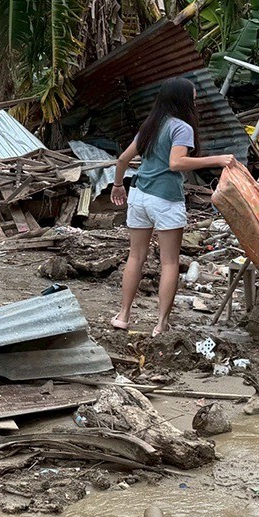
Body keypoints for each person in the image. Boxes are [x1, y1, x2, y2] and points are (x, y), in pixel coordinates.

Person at [107, 76, 234, 336]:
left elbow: (122, 159)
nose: (196, 97)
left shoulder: (150, 126)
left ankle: (123, 315)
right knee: (169, 263)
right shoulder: (181, 128)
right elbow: (176, 164)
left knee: (135, 257)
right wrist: (219, 159)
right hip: (165, 199)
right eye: (194, 94)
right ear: (183, 99)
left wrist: (118, 185)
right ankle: (161, 323)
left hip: (139, 195)